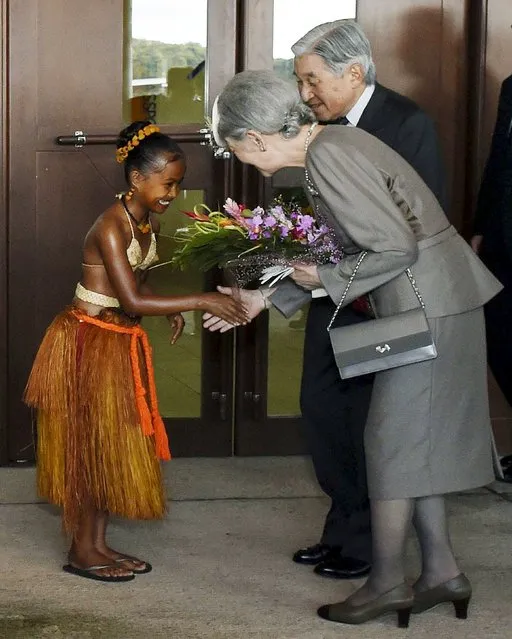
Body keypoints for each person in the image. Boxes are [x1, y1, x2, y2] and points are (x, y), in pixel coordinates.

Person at [204, 69, 501, 626]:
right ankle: (441, 572)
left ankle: (386, 582)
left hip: (426, 307)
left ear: (257, 139)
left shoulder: (328, 157)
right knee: (414, 446)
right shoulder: (334, 142)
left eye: (235, 149)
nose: (239, 160)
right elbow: (355, 246)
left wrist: (321, 278)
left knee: (390, 446)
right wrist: (267, 299)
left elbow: (394, 248)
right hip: (434, 304)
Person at [24, 121, 248, 583]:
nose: (173, 192)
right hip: (88, 340)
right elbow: (130, 301)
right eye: (167, 183)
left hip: (117, 341)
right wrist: (199, 299)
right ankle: (81, 550)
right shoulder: (110, 225)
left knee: (113, 443)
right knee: (91, 446)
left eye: (179, 184)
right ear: (136, 180)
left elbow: (136, 282)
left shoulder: (148, 220)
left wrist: (168, 308)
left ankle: (98, 544)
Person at [289, 19, 448, 580]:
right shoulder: (322, 129)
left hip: (383, 301)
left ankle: (365, 548)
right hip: (332, 293)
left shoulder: (406, 123)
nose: (305, 95)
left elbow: (416, 227)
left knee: (366, 423)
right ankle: (341, 529)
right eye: (301, 82)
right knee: (323, 412)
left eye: (312, 81)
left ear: (352, 73)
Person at [471, 74, 512, 415]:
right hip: (501, 238)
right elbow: (497, 160)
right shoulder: (511, 86)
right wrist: (480, 228)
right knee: (500, 341)